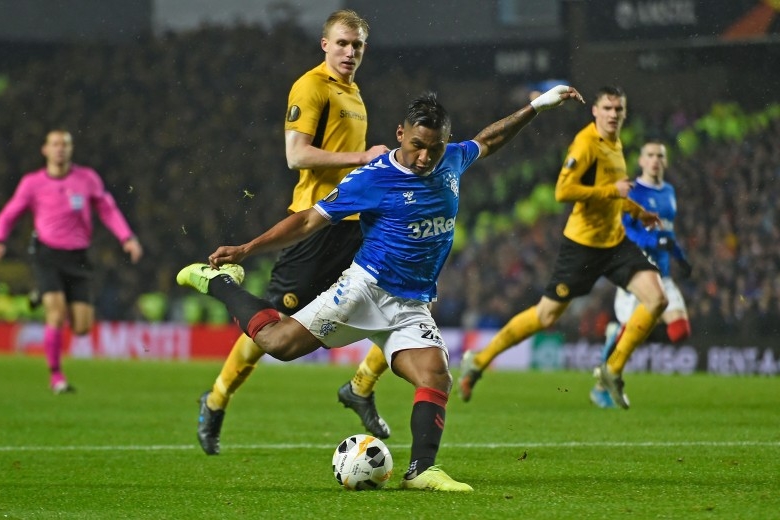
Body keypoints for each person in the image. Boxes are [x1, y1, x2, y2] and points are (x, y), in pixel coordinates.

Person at [177, 86, 585, 491]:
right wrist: (247, 248)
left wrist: (538, 105)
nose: (425, 157)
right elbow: (306, 221)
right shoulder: (373, 179)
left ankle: (421, 470)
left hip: (411, 304)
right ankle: (220, 284)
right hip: (364, 291)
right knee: (278, 344)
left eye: (435, 148)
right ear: (400, 135)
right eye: (418, 146)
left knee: (435, 375)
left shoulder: (452, 160)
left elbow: (488, 139)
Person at [195, 9, 391, 456]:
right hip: (315, 228)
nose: (350, 52)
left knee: (403, 299)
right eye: (342, 43)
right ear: (325, 44)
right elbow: (297, 156)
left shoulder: (355, 93)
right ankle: (216, 398)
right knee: (273, 329)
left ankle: (360, 388)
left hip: (355, 227)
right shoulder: (311, 86)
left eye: (357, 45)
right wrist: (363, 159)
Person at [458, 86, 667, 410]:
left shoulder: (616, 143)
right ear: (595, 111)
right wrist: (610, 190)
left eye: (618, 109)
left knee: (657, 299)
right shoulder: (586, 144)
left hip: (614, 242)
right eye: (607, 108)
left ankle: (612, 369)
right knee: (546, 315)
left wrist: (639, 212)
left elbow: (616, 193)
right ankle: (479, 359)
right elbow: (563, 191)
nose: (613, 114)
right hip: (582, 246)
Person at [0, 129, 142, 393]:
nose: (60, 149)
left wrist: (126, 237)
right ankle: (56, 376)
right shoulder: (32, 182)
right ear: (45, 150)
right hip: (47, 254)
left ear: (71, 150)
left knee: (82, 328)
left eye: (65, 145)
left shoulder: (87, 179)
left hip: (79, 256)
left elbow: (107, 208)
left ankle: (43, 293)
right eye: (55, 144)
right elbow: (10, 212)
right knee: (56, 315)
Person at [590, 139, 692, 407]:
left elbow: (667, 232)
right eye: (650, 155)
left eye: (661, 155)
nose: (656, 159)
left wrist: (680, 256)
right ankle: (602, 386)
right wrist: (654, 242)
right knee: (635, 330)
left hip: (664, 274)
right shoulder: (632, 191)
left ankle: (620, 334)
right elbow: (626, 230)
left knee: (679, 331)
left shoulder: (669, 191)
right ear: (642, 161)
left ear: (665, 161)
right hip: (636, 273)